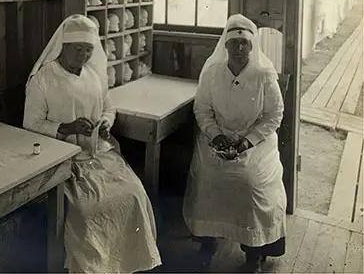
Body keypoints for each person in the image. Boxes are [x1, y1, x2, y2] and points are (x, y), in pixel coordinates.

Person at [23, 14, 161, 273]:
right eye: (78, 50)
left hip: (98, 154)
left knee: (134, 193)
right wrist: (67, 128)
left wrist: (106, 122)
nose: (84, 56)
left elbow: (109, 107)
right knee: (86, 210)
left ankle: (128, 264)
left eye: (88, 50)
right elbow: (30, 126)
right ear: (63, 47)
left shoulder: (94, 76)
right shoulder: (43, 79)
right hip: (62, 159)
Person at [182, 14, 287, 273]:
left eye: (244, 43)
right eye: (234, 43)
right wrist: (216, 135)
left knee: (251, 183)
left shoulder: (263, 75)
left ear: (252, 46)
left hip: (256, 140)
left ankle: (254, 251)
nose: (239, 48)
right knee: (207, 177)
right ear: (225, 45)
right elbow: (202, 109)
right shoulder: (212, 72)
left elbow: (274, 115)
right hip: (217, 135)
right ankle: (208, 242)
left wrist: (246, 142)